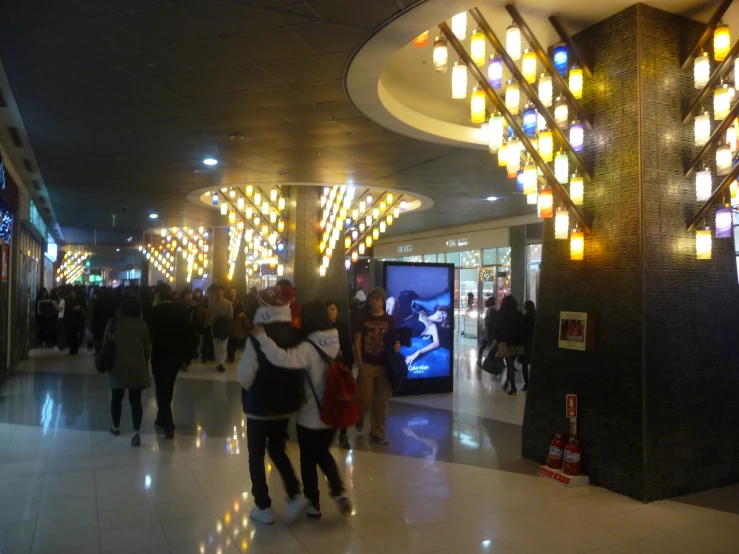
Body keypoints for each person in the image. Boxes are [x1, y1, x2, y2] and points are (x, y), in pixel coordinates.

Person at [252, 301, 352, 519]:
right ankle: (338, 492)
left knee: (308, 459)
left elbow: (282, 358)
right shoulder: (335, 341)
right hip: (334, 411)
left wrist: (262, 338)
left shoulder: (308, 348)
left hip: (311, 415)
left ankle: (314, 504)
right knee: (323, 453)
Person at [238, 287, 305, 525]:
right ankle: (295, 494)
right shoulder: (295, 333)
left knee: (256, 455)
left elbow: (246, 374)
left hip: (259, 406)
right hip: (286, 404)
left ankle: (263, 507)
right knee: (277, 450)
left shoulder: (258, 335)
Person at [354, 286, 398, 445]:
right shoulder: (362, 319)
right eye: (372, 298)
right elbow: (358, 341)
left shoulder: (390, 320)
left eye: (378, 298)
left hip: (384, 365)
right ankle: (359, 417)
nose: (375, 301)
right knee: (364, 397)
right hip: (367, 364)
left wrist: (397, 346)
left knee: (381, 401)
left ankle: (378, 433)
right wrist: (359, 362)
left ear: (383, 300)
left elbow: (394, 339)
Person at [104, 296, 151, 446]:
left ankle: (116, 426)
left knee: (116, 397)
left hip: (117, 365)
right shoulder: (142, 325)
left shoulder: (114, 323)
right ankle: (136, 431)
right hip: (136, 366)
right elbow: (146, 348)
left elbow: (106, 343)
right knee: (135, 401)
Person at [148, 286, 190, 438]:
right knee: (168, 386)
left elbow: (149, 336)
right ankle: (161, 419)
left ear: (158, 295)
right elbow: (187, 335)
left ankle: (168, 424)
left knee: (160, 388)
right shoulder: (180, 311)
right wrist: (185, 357)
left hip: (159, 354)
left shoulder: (153, 312)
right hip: (175, 355)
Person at [386, 298, 450, 366]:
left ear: (441, 322)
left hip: (398, 336)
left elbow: (437, 343)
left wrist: (418, 352)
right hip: (396, 326)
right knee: (392, 300)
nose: (441, 317)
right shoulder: (422, 312)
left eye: (443, 318)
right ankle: (386, 325)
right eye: (442, 313)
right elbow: (406, 320)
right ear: (438, 310)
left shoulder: (432, 327)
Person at [326, 299, 355, 450]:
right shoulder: (321, 327)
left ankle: (343, 435)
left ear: (337, 311)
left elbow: (347, 348)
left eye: (333, 309)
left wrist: (348, 367)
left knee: (343, 401)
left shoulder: (341, 328)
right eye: (328, 309)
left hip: (339, 368)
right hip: (325, 369)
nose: (330, 312)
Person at [493, 295, 525, 396]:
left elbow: (498, 329)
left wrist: (497, 341)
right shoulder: (519, 314)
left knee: (510, 365)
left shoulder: (502, 314)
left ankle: (513, 387)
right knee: (511, 364)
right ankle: (507, 383)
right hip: (517, 343)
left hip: (506, 343)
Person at [207, 285, 233, 372]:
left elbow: (230, 315)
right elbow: (210, 316)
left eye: (219, 291)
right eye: (216, 291)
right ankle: (219, 362)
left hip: (224, 327)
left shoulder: (228, 303)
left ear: (223, 292)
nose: (218, 293)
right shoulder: (211, 303)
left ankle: (221, 363)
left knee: (223, 346)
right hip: (215, 327)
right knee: (216, 345)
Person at [227, 287, 247, 363]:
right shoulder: (226, 302)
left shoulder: (240, 303)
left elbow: (244, 311)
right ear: (228, 293)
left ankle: (232, 355)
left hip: (236, 323)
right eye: (231, 291)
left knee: (234, 339)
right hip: (228, 323)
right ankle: (230, 354)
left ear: (236, 293)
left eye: (234, 291)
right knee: (229, 340)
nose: (232, 293)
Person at [64, 288, 86, 356]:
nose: (72, 293)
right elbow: (67, 309)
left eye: (73, 292)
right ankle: (72, 350)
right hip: (70, 320)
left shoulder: (81, 300)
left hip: (77, 320)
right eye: (71, 292)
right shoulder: (68, 300)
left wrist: (79, 308)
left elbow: (84, 308)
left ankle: (75, 349)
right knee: (71, 336)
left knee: (75, 335)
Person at [477, 296, 497, 367]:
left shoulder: (490, 309)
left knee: (484, 345)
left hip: (487, 329)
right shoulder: (493, 309)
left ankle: (479, 360)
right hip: (490, 330)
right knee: (493, 345)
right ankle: (493, 361)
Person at [521, 300, 536, 392]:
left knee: (525, 364)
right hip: (534, 343)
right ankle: (533, 384)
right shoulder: (536, 317)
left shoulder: (524, 318)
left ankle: (526, 384)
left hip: (526, 343)